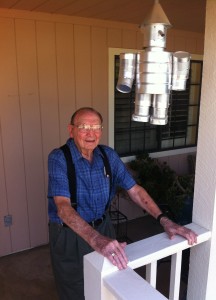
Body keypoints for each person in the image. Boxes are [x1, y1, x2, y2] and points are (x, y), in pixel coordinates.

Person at [48, 107, 197, 300]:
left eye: (96, 127)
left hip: (103, 226)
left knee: (109, 279)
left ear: (101, 131)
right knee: (75, 287)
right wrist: (96, 239)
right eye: (84, 127)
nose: (91, 133)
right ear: (71, 130)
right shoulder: (59, 158)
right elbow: (63, 207)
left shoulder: (108, 155)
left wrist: (164, 220)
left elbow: (135, 191)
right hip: (69, 234)